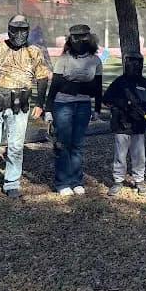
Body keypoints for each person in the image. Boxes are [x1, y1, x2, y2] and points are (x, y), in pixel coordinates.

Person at [0, 15, 50, 201]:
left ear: (28, 30)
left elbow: (42, 78)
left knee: (15, 147)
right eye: (16, 29)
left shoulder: (34, 51)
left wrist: (40, 103)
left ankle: (11, 184)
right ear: (10, 29)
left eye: (23, 30)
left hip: (19, 105)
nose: (19, 34)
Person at [44, 24, 103, 197]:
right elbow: (55, 86)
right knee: (63, 144)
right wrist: (48, 110)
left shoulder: (95, 61)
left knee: (77, 145)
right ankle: (62, 182)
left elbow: (97, 88)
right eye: (75, 37)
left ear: (89, 37)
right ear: (70, 39)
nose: (79, 40)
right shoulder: (64, 59)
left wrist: (97, 109)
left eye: (83, 36)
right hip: (63, 105)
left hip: (84, 106)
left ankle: (76, 181)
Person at [104, 52, 146, 197]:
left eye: (137, 62)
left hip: (138, 124)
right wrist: (122, 104)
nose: (134, 65)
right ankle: (118, 181)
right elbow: (106, 99)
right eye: (131, 62)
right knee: (120, 155)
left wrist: (143, 110)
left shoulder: (144, 83)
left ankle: (139, 180)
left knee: (139, 155)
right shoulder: (119, 82)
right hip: (121, 123)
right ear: (126, 63)